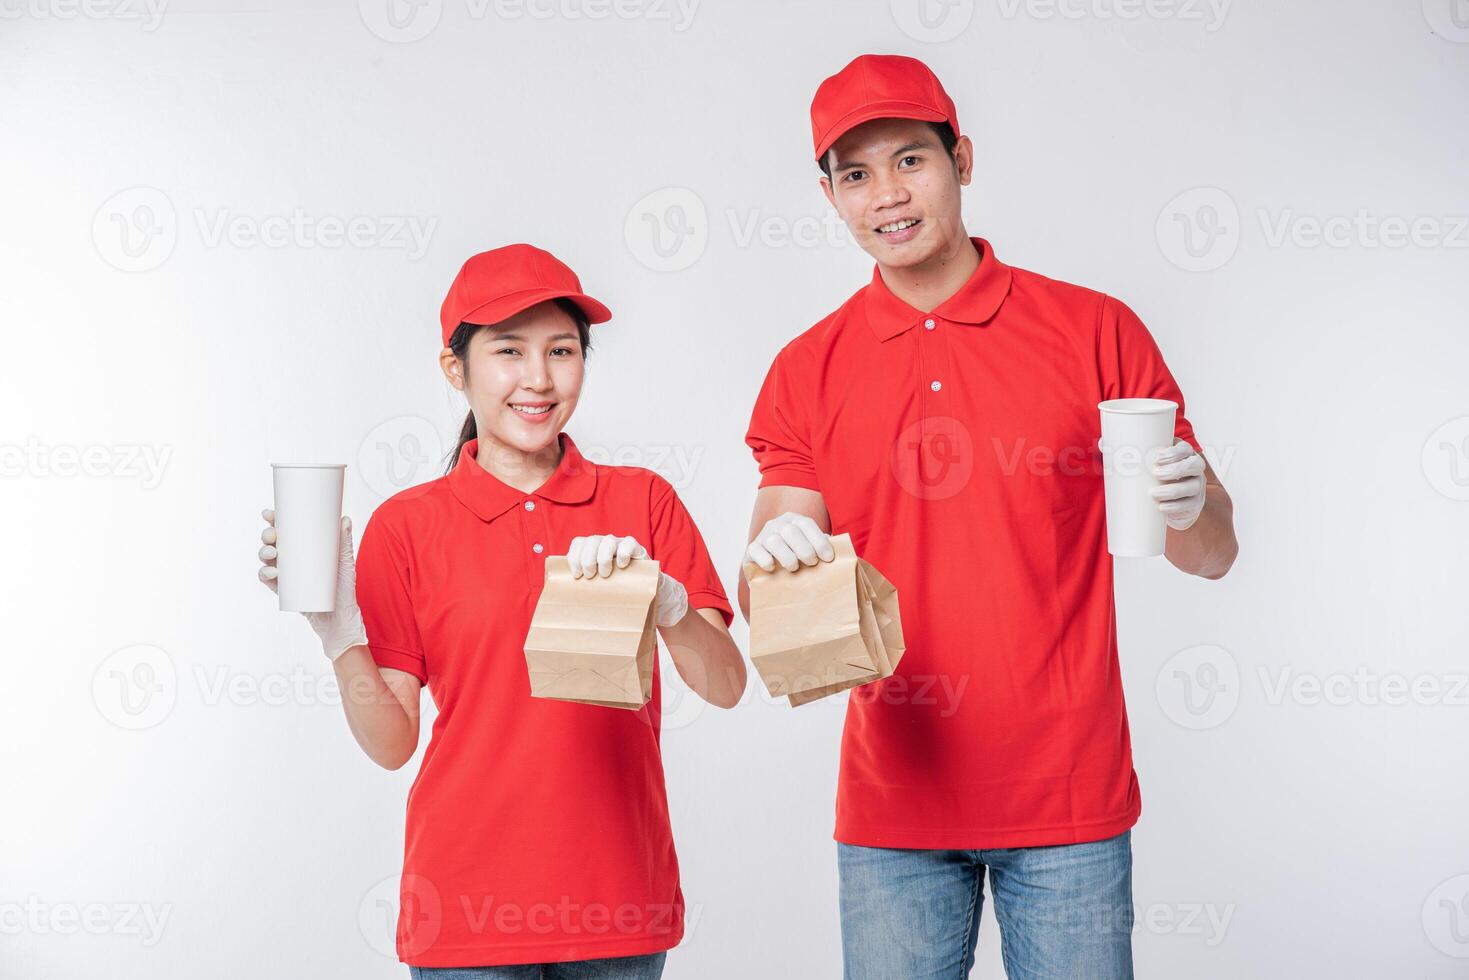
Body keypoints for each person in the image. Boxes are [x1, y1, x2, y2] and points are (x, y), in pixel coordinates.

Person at [740, 54, 1239, 979]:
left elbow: (1210, 555)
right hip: (893, 813)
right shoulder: (806, 368)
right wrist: (773, 555)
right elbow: (771, 594)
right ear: (829, 196)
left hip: (1067, 802)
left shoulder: (1094, 330)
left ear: (960, 159)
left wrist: (1192, 498)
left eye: (909, 161)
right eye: (854, 174)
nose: (886, 195)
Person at [259, 243, 746, 978]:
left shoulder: (641, 500)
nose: (538, 380)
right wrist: (337, 634)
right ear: (455, 370)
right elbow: (393, 743)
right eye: (508, 352)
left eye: (561, 350)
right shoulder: (406, 525)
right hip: (463, 912)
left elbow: (725, 686)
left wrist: (672, 608)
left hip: (616, 911)